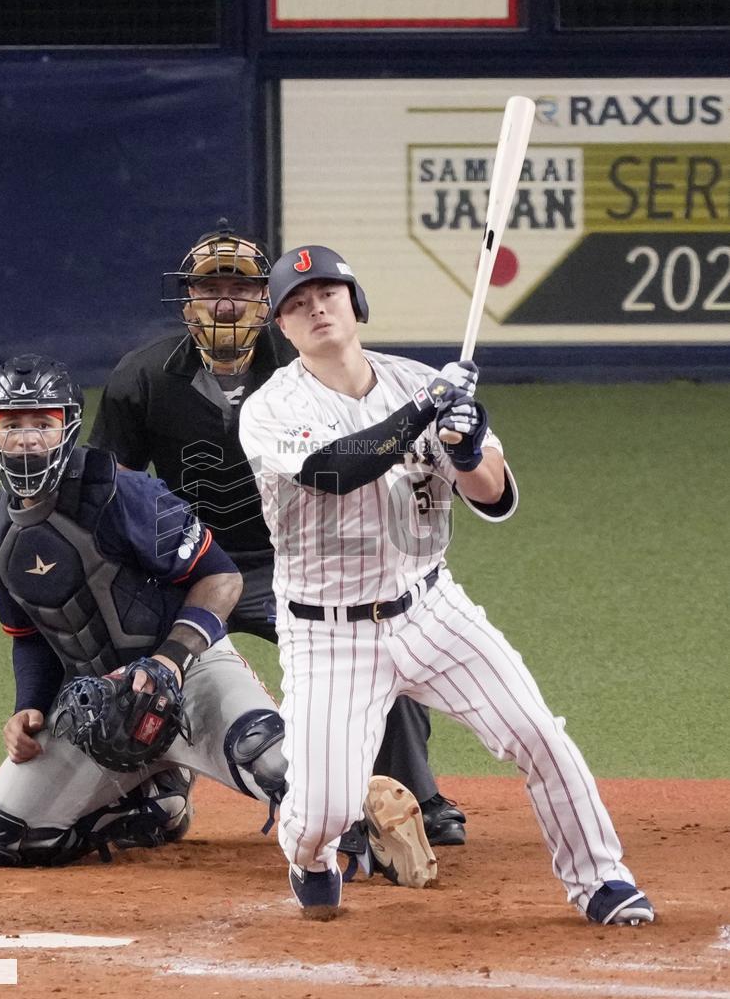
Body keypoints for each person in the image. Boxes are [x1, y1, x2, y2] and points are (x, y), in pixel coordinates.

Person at [238, 244, 656, 925]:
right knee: (325, 815)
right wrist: (425, 411)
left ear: (355, 302)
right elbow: (333, 469)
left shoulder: (422, 383)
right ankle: (308, 857)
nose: (316, 308)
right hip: (327, 633)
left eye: (328, 293)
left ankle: (601, 880)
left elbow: (494, 497)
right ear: (282, 328)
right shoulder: (271, 408)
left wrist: (464, 449)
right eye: (295, 303)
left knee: (539, 736)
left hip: (432, 609)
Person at [87, 221, 467, 850]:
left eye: (242, 288)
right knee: (127, 654)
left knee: (376, 638)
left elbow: (361, 454)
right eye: (210, 288)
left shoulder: (302, 366)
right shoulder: (143, 376)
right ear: (187, 301)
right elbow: (114, 489)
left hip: (290, 563)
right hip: (186, 568)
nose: (226, 301)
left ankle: (415, 794)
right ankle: (150, 787)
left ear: (267, 303)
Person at [0, 353, 287, 866]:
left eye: (42, 424)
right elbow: (28, 637)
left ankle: (368, 807)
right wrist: (29, 705)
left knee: (273, 766)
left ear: (67, 427)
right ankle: (153, 797)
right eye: (12, 425)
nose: (26, 439)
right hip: (98, 704)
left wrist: (169, 661)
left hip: (188, 672)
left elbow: (221, 577)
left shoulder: (120, 489)